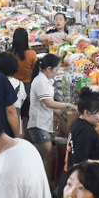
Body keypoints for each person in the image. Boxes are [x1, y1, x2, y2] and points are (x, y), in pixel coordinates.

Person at [56, 87, 99, 198]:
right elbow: (80, 161)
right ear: (87, 112)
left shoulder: (79, 122)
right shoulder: (85, 131)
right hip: (81, 183)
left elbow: (80, 148)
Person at [27, 54, 76, 184]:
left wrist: (62, 117)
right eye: (56, 70)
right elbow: (49, 103)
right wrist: (68, 105)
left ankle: (48, 184)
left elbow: (50, 106)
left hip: (44, 125)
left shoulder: (47, 81)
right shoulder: (40, 82)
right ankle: (46, 186)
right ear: (49, 69)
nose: (57, 73)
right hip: (38, 125)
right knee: (48, 158)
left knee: (50, 156)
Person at [11, 28, 37, 125]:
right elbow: (36, 70)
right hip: (27, 86)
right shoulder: (32, 54)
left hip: (13, 86)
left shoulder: (10, 54)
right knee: (26, 114)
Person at [0, 52, 27, 131]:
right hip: (17, 119)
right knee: (18, 137)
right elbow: (21, 102)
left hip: (0, 121)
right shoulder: (19, 84)